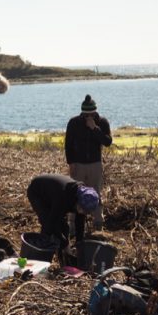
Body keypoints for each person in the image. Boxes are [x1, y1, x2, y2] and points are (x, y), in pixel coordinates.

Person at [65, 94, 112, 230]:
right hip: (78, 164)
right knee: (75, 194)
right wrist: (71, 162)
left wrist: (94, 128)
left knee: (95, 192)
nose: (88, 117)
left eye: (91, 114)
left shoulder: (102, 122)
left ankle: (98, 222)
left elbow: (107, 142)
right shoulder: (74, 122)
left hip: (95, 164)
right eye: (85, 115)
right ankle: (73, 225)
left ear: (95, 111)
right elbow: (68, 144)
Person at [26, 174, 100, 262]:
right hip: (37, 192)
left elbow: (80, 223)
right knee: (48, 225)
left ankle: (63, 258)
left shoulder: (83, 197)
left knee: (65, 228)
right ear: (78, 201)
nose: (84, 213)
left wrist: (79, 245)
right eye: (83, 210)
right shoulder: (63, 197)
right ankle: (40, 257)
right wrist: (66, 244)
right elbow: (53, 223)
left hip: (53, 195)